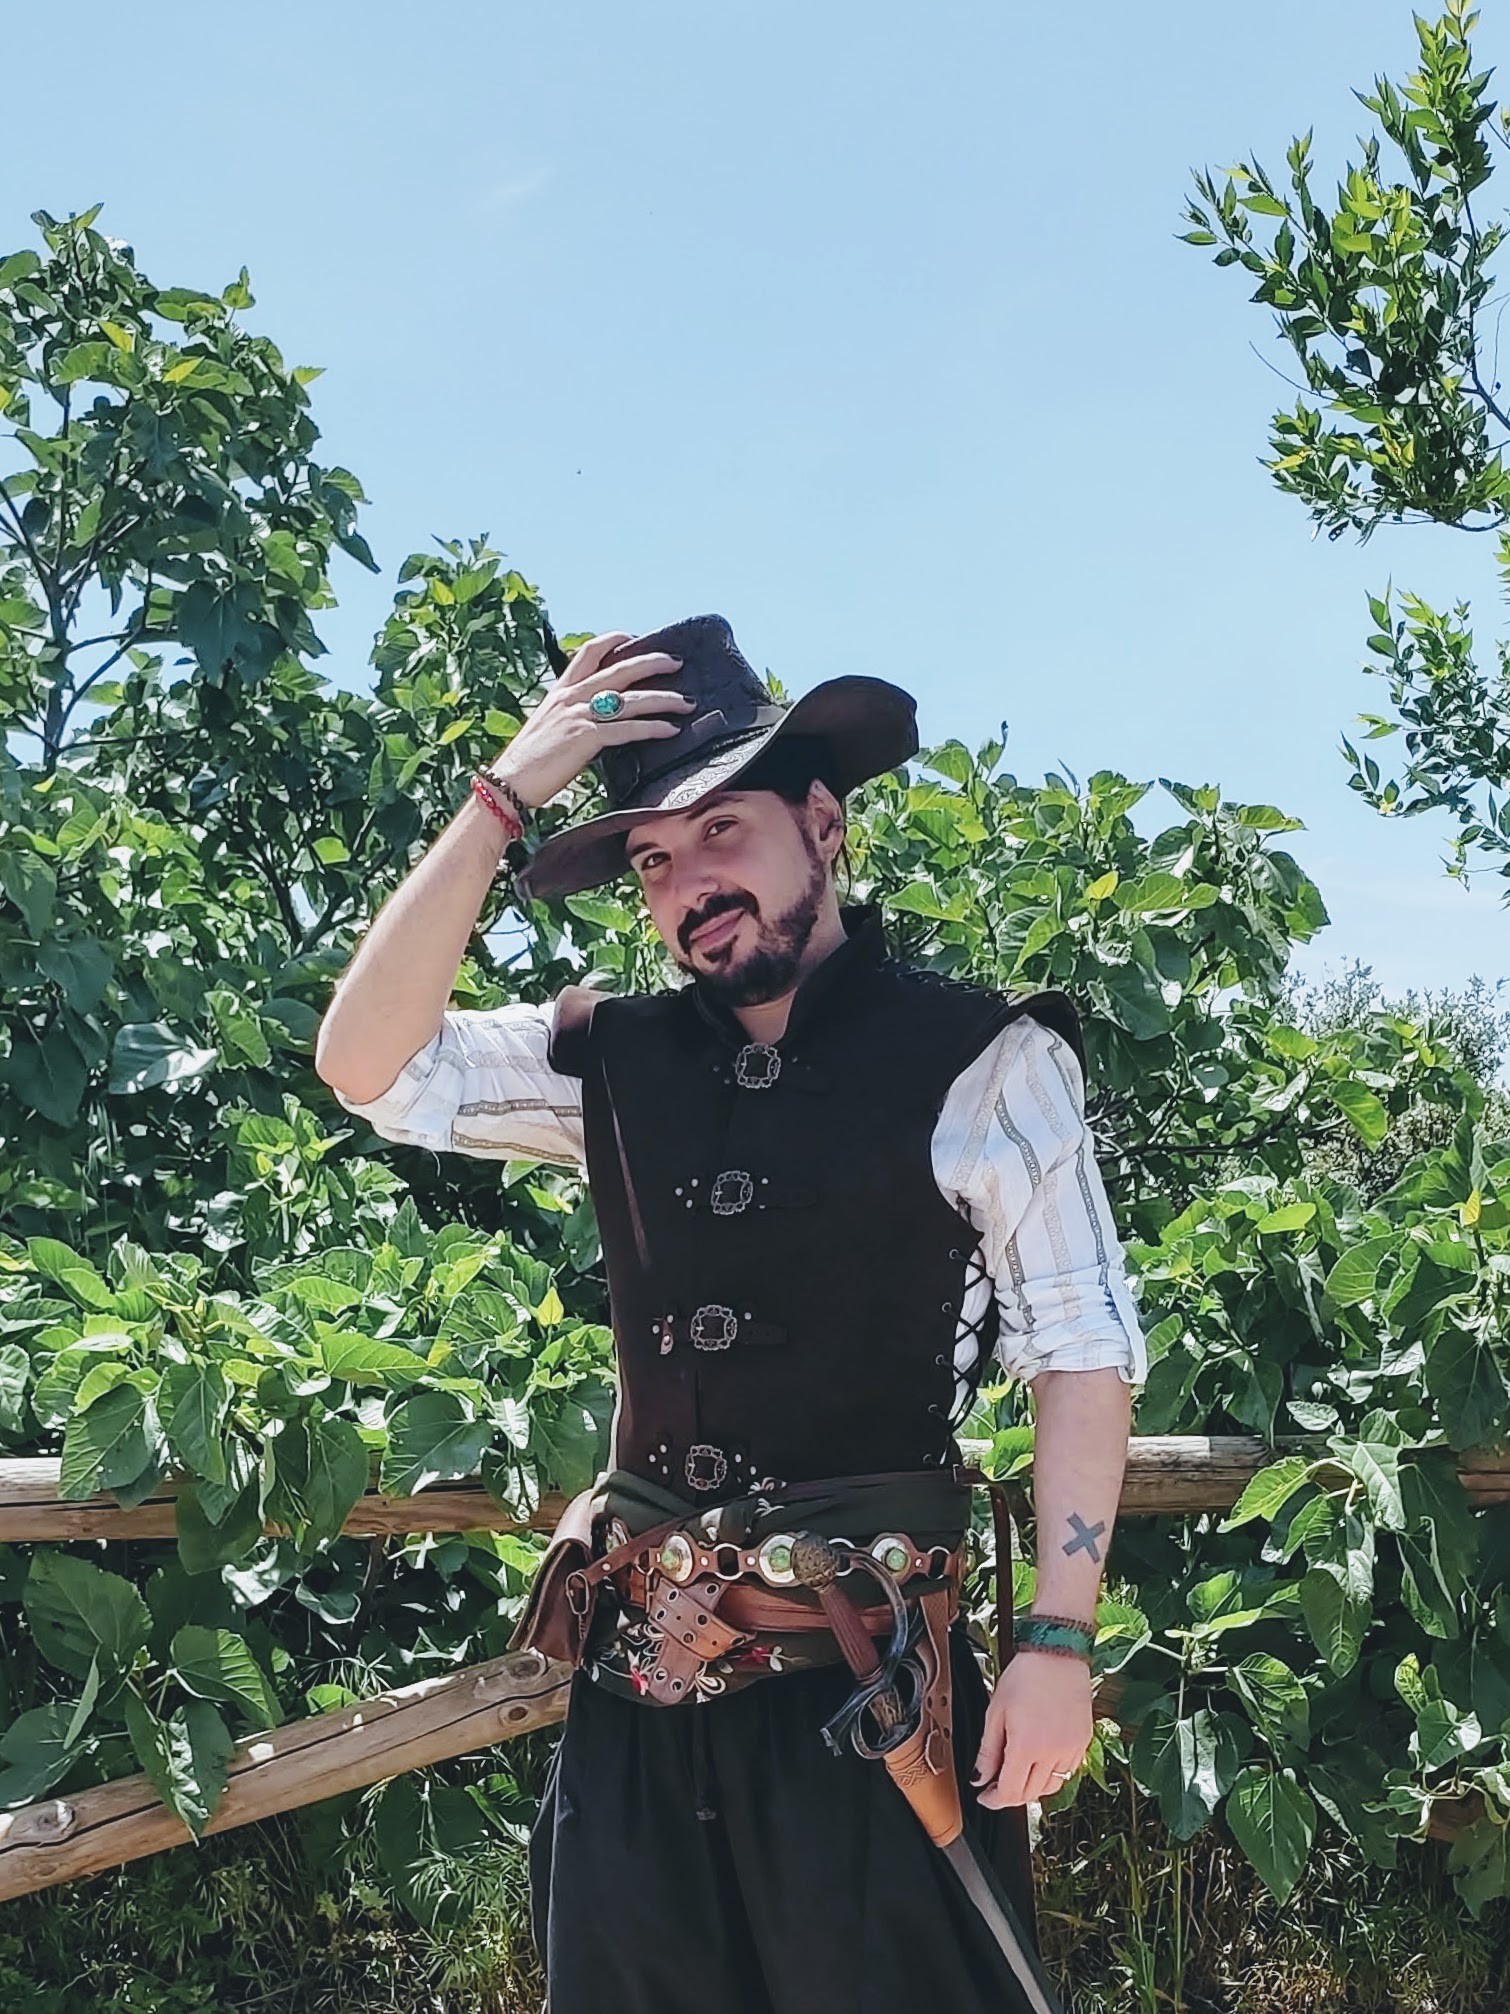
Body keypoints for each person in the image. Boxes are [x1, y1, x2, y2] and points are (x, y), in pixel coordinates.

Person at [315, 614, 1146, 2014]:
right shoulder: (610, 1059)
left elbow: (1081, 1352)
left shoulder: (984, 1062)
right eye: (651, 859)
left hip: (870, 1692)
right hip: (639, 1703)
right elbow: (365, 1062)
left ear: (821, 822)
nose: (687, 881)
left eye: (721, 833)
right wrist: (500, 800)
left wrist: (1056, 1640)